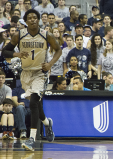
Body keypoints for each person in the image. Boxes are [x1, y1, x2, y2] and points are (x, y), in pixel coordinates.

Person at [2, 9, 60, 151]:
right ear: (26, 21)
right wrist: (17, 54)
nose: (33, 19)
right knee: (36, 104)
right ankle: (47, 123)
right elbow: (5, 52)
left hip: (40, 72)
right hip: (26, 73)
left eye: (35, 17)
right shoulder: (19, 35)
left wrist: (50, 64)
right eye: (30, 18)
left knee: (33, 101)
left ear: (39, 20)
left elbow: (58, 50)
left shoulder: (47, 35)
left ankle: (31, 139)